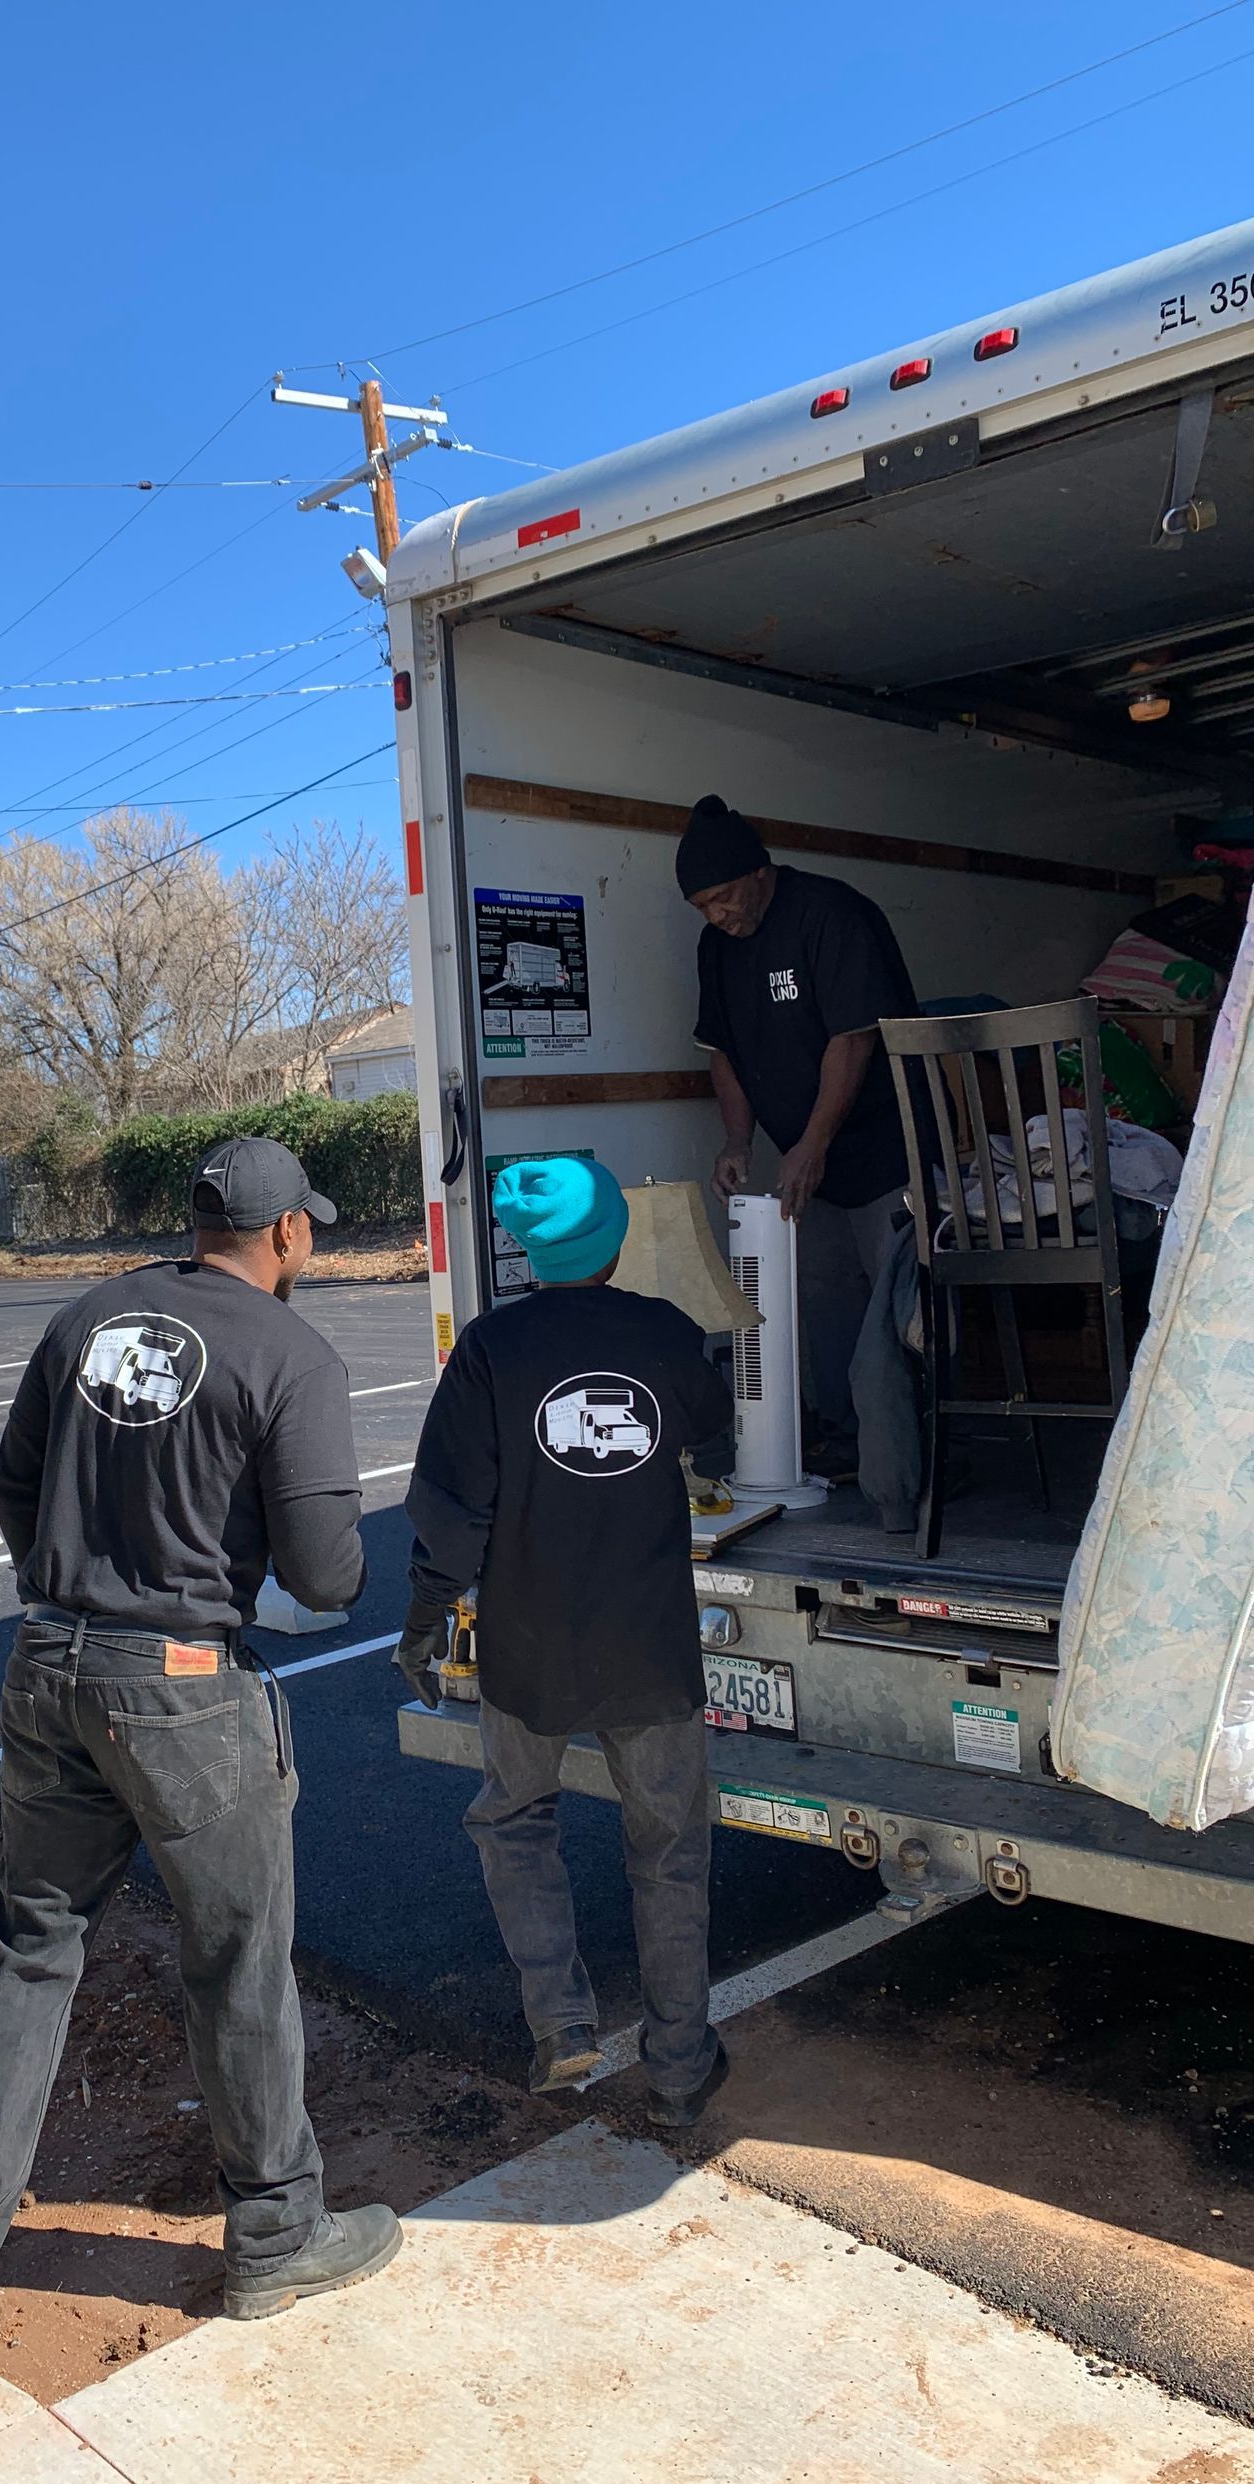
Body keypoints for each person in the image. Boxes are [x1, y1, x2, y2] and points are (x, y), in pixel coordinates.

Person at [0, 1135, 400, 2375]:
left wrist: (78, 1587)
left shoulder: (90, 1315)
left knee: (30, 1953)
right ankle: (275, 2232)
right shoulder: (289, 1353)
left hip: (45, 1669)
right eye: (308, 1227)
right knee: (238, 1961)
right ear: (290, 1235)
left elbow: (14, 1484)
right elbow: (326, 1575)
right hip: (184, 1693)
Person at [395, 1156, 735, 2122]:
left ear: (526, 1250)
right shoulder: (666, 1335)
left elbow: (453, 1515)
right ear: (616, 1240)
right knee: (669, 1848)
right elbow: (712, 1430)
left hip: (528, 1648)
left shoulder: (492, 1349)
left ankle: (564, 2026)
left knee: (514, 1819)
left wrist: (423, 1623)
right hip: (652, 1647)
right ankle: (678, 2066)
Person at [679, 792, 918, 1475]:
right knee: (824, 1298)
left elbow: (853, 1038)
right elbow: (723, 1049)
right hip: (805, 1165)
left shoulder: (830, 915)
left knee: (898, 1306)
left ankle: (912, 1453)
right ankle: (848, 1442)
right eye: (703, 907)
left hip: (883, 1151)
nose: (719, 915)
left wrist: (812, 1143)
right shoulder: (716, 950)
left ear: (760, 873)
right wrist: (737, 1142)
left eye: (724, 897)